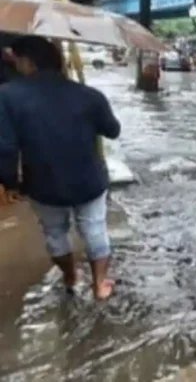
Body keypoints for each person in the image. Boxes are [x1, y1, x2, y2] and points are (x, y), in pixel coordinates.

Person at [0, 36, 121, 300]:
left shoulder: (7, 96)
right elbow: (113, 130)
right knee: (94, 229)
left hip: (43, 183)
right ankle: (100, 285)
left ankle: (70, 276)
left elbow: (5, 147)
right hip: (88, 180)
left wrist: (11, 183)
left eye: (18, 59)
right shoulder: (88, 95)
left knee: (54, 232)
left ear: (27, 61)